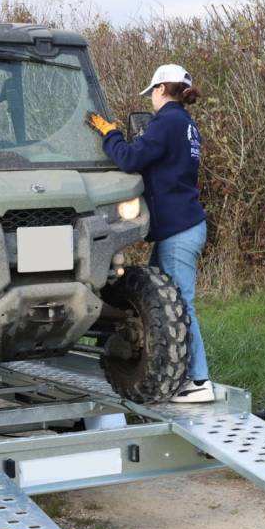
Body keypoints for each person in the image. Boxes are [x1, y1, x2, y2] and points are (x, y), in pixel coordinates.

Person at [86, 64, 212, 403]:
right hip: (185, 223)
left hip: (178, 230)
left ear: (159, 90)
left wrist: (109, 134)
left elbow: (129, 159)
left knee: (180, 304)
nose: (151, 99)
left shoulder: (166, 122)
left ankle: (198, 381)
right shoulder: (186, 125)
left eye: (151, 93)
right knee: (154, 298)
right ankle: (159, 366)